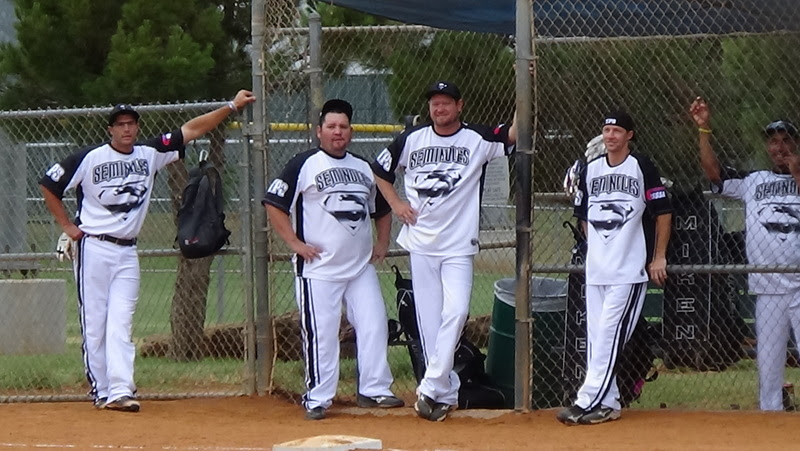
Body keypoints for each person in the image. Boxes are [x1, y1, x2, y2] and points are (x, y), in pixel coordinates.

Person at [39, 90, 257, 412]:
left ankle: (120, 390)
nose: (126, 128)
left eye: (131, 123)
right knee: (95, 324)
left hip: (127, 253)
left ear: (137, 127)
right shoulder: (90, 157)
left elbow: (191, 130)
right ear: (110, 130)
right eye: (120, 124)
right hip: (94, 248)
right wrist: (67, 226)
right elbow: (48, 184)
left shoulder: (149, 153)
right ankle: (101, 389)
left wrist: (231, 106)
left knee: (121, 322)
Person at [371, 81, 519, 421]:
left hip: (457, 246)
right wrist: (396, 204)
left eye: (446, 103)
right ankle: (445, 393)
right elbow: (379, 170)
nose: (439, 108)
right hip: (421, 245)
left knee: (457, 311)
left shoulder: (477, 138)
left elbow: (514, 134)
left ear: (459, 106)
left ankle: (429, 386)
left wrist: (525, 86)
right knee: (429, 325)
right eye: (435, 103)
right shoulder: (412, 139)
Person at [263, 99, 404, 420]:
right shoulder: (303, 164)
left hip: (359, 268)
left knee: (374, 325)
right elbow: (274, 203)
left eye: (343, 126)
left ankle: (374, 389)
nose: (337, 132)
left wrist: (382, 242)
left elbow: (381, 208)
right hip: (319, 269)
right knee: (322, 334)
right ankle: (318, 397)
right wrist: (295, 243)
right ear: (319, 131)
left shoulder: (363, 167)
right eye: (331, 126)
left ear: (351, 131)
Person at [557, 111, 672, 425]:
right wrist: (598, 249)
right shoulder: (591, 170)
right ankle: (608, 403)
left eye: (617, 131)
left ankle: (587, 400)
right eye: (606, 130)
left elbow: (663, 212)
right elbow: (584, 218)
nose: (610, 136)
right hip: (597, 271)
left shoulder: (641, 166)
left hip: (628, 271)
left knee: (609, 334)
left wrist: (659, 257)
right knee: (597, 338)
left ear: (629, 135)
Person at [690, 97, 800, 411]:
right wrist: (704, 130)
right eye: (774, 142)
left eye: (786, 140)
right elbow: (714, 173)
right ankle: (770, 416)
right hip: (768, 288)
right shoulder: (754, 180)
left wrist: (797, 172)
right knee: (768, 363)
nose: (779, 147)